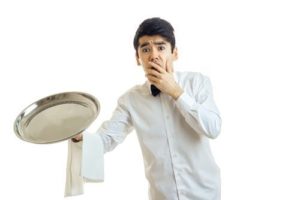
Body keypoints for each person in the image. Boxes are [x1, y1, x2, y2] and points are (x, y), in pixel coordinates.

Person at [67, 17, 222, 200]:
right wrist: (81, 138)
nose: (154, 55)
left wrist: (177, 92)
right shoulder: (130, 100)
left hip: (205, 193)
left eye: (161, 47)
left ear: (175, 53)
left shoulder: (198, 82)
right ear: (137, 58)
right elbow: (107, 139)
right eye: (146, 49)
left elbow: (213, 128)